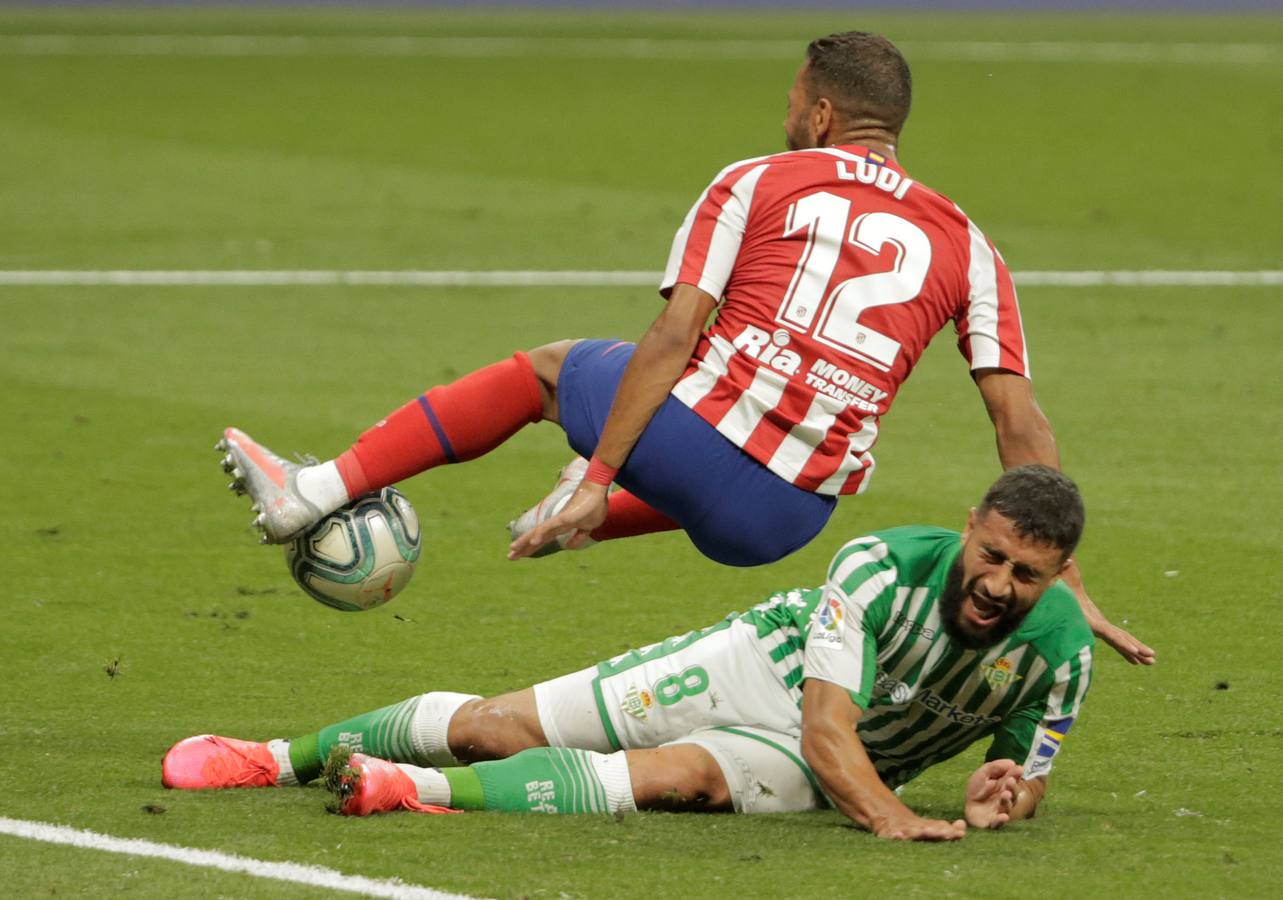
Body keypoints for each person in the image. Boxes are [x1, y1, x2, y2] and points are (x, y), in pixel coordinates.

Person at [215, 31, 1152, 665]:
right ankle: (595, 515)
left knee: (546, 371)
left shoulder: (760, 180)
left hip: (692, 447)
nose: (786, 113)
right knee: (742, 444)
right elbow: (1018, 426)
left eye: (793, 100)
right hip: (784, 521)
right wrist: (1063, 581)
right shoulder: (969, 243)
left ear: (821, 114)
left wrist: (596, 472)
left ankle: (317, 490)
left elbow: (674, 335)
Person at [168, 466, 1095, 841]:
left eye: (1026, 575)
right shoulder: (880, 567)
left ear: (1058, 577)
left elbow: (1028, 763)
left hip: (831, 761)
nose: (998, 585)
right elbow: (826, 725)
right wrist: (892, 817)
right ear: (968, 526)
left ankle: (403, 789)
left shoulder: (1060, 653)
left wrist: (1005, 793)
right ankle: (272, 758)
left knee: (670, 781)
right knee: (497, 728)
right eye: (991, 556)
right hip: (766, 670)